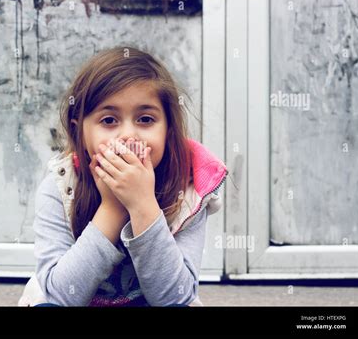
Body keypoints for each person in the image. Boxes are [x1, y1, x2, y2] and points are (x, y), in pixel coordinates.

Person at [18, 47, 227, 307]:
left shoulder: (189, 192)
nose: (128, 135)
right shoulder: (60, 188)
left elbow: (176, 297)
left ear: (168, 129)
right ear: (80, 132)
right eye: (108, 120)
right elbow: (61, 296)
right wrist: (112, 208)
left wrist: (142, 205)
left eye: (145, 119)